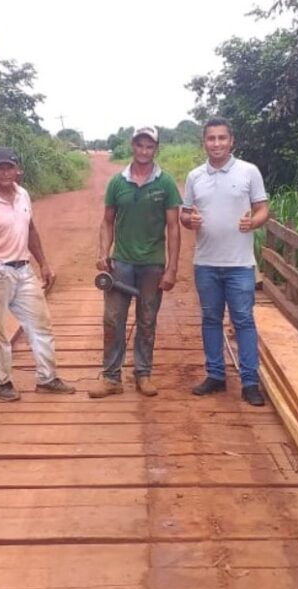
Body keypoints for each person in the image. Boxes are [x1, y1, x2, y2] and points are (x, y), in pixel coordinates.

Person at [0, 147, 75, 401]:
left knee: (41, 324)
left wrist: (44, 264)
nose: (5, 172)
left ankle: (47, 378)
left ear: (17, 170)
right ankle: (3, 382)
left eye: (9, 167)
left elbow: (31, 231)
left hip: (23, 269)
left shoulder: (23, 194)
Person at [179, 117, 269, 406]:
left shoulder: (249, 172)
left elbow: (263, 209)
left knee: (243, 320)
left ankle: (250, 382)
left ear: (232, 141)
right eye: (211, 138)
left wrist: (253, 223)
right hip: (205, 262)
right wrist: (189, 219)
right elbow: (184, 214)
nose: (216, 143)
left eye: (222, 138)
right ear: (203, 142)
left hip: (240, 263)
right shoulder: (194, 177)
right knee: (210, 319)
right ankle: (216, 375)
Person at [89, 125, 181, 398]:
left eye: (149, 146)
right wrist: (102, 253)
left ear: (156, 149)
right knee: (113, 319)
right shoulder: (118, 182)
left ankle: (143, 374)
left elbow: (174, 227)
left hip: (153, 265)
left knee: (147, 319)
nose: (144, 150)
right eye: (139, 145)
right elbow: (107, 222)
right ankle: (111, 378)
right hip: (122, 264)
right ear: (132, 146)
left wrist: (172, 268)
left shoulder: (165, 183)